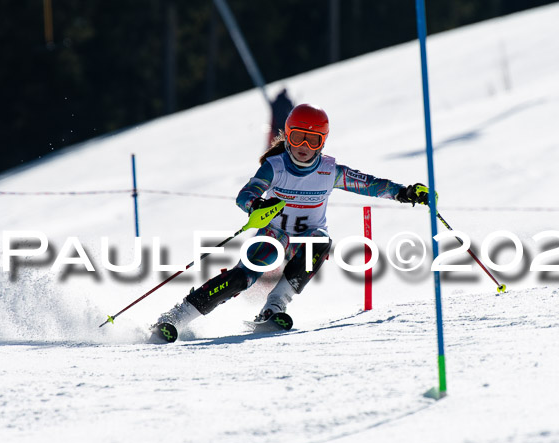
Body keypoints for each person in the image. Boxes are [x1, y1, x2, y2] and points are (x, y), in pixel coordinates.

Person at [154, 103, 435, 333]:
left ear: (322, 143)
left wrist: (406, 193)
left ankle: (274, 307)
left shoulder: (330, 171)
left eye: (313, 140)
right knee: (241, 279)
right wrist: (256, 205)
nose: (304, 146)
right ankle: (178, 315)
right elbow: (246, 194)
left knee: (321, 241)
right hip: (273, 236)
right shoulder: (274, 166)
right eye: (298, 137)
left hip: (307, 238)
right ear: (287, 136)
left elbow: (371, 184)